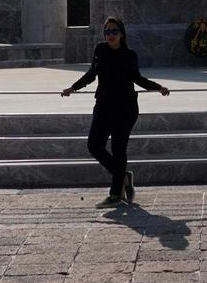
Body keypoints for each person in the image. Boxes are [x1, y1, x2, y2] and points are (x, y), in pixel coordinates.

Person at [61, 16, 169, 206]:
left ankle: (115, 194)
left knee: (119, 150)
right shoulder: (100, 50)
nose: (110, 35)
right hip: (103, 106)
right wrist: (73, 88)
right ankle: (124, 178)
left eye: (114, 31)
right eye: (107, 31)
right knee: (94, 145)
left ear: (122, 34)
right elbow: (91, 74)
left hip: (126, 108)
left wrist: (158, 87)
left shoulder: (130, 55)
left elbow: (138, 78)